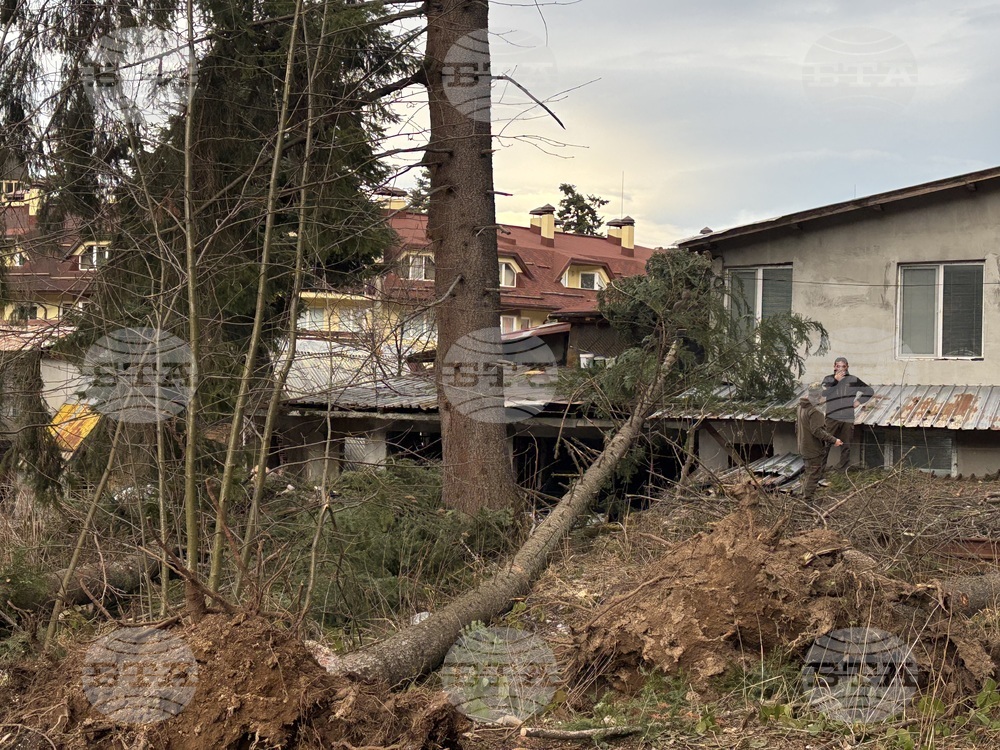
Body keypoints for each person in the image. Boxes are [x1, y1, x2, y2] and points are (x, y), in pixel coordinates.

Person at [821, 357, 873, 471]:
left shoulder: (853, 380)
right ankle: (820, 469)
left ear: (847, 367)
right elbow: (824, 393)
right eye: (838, 366)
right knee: (825, 442)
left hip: (847, 417)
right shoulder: (828, 379)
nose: (840, 369)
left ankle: (842, 470)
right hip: (831, 417)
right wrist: (835, 381)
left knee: (846, 445)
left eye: (843, 366)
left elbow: (869, 391)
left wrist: (858, 402)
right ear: (834, 367)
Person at [797, 383, 842, 501]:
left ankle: (803, 496)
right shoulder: (816, 410)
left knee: (808, 473)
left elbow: (797, 427)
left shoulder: (801, 406)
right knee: (813, 475)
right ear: (818, 395)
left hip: (803, 447)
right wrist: (834, 440)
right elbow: (817, 431)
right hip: (813, 449)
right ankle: (807, 501)